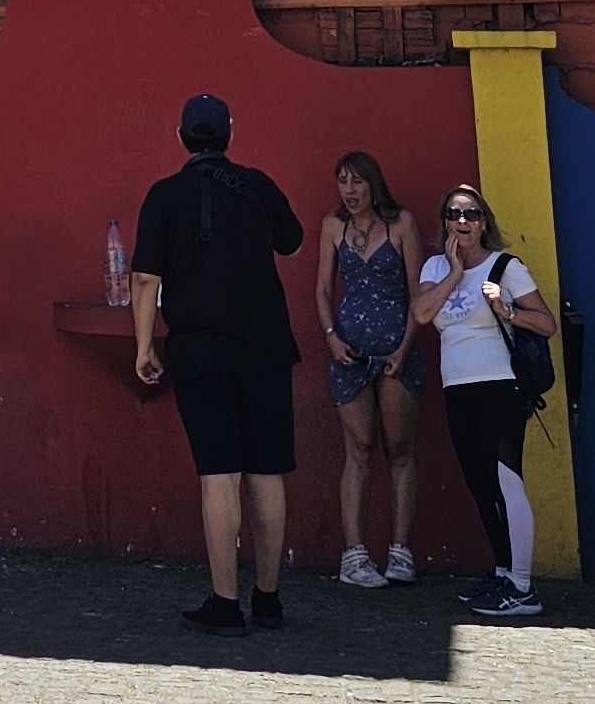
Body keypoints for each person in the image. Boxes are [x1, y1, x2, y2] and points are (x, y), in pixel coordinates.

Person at [129, 91, 308, 635]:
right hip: (266, 346)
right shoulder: (258, 185)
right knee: (267, 472)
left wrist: (144, 346)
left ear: (181, 137)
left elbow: (145, 279)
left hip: (201, 350)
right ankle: (269, 599)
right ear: (230, 134)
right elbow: (293, 242)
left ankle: (225, 603)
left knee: (219, 475)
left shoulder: (164, 196)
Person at [408, 183, 558, 618]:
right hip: (458, 385)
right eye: (454, 214)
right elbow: (421, 313)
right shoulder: (436, 267)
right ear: (445, 222)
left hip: (501, 385)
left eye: (471, 214)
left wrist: (508, 311)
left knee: (506, 480)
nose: (463, 222)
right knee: (480, 482)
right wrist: (455, 273)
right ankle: (503, 572)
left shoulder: (505, 267)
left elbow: (546, 323)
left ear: (484, 221)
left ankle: (523, 587)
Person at [315, 150, 421, 588]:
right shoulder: (332, 227)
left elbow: (418, 293)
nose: (349, 190)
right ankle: (354, 556)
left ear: (373, 184)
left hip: (396, 352)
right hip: (349, 353)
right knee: (358, 448)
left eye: (357, 181)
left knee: (399, 448)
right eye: (343, 181)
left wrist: (405, 346)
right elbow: (323, 290)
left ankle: (400, 551)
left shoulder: (403, 224)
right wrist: (331, 336)